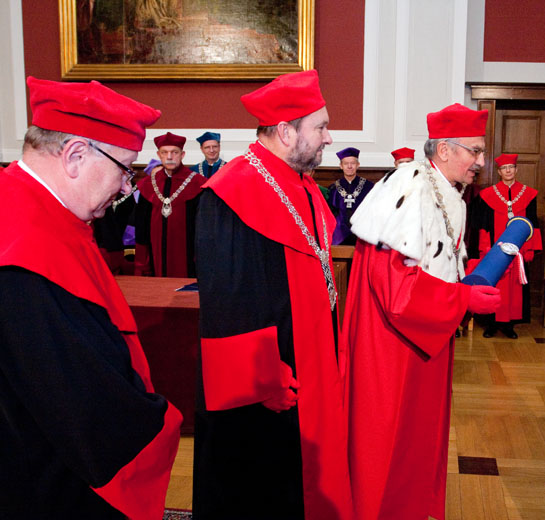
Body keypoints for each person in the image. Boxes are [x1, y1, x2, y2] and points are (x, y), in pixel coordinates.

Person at [0, 76, 182, 519]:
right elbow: (84, 404)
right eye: (125, 169)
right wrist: (160, 421)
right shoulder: (28, 251)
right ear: (76, 156)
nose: (126, 187)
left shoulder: (30, 211)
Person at [193, 69, 351, 519]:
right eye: (320, 127)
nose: (328, 137)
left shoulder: (303, 185)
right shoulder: (230, 192)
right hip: (266, 388)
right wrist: (261, 378)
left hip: (308, 367)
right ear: (285, 131)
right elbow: (226, 303)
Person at [345, 102, 501, 520]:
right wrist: (462, 299)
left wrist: (464, 285)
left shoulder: (445, 190)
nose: (480, 161)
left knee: (416, 438)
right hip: (394, 344)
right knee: (387, 442)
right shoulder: (409, 188)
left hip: (425, 332)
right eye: (475, 151)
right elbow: (395, 290)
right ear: (445, 150)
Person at [468, 153, 542, 338]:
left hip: (519, 251)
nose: (508, 171)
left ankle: (509, 325)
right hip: (495, 250)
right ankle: (491, 324)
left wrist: (530, 248)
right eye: (504, 168)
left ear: (516, 170)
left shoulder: (528, 194)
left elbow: (533, 223)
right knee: (494, 284)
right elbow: (483, 224)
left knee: (514, 288)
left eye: (511, 167)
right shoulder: (487, 195)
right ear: (499, 172)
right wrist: (484, 248)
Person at [135, 131, 205, 277]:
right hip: (155, 256)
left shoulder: (198, 184)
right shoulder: (147, 184)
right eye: (164, 152)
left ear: (182, 155)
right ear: (159, 155)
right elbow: (141, 227)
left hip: (189, 257)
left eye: (174, 152)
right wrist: (143, 263)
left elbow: (204, 227)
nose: (169, 157)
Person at [327, 147, 373, 245]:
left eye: (352, 163)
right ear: (341, 166)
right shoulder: (333, 188)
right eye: (346, 163)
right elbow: (330, 213)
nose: (349, 166)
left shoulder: (369, 187)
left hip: (362, 233)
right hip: (339, 235)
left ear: (358, 165)